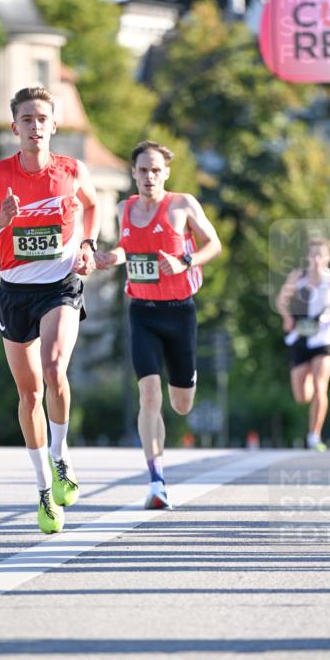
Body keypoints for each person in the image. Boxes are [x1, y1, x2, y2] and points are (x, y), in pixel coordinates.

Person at [0, 85, 100, 534]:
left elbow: (94, 205)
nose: (35, 127)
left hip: (60, 285)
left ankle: (62, 458)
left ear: (54, 125)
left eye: (43, 118)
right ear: (14, 127)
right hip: (14, 293)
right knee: (29, 395)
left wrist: (86, 244)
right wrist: (1, 222)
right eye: (27, 119)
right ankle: (44, 488)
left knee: (55, 367)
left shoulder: (73, 170)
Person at [94, 140, 221, 508]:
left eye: (155, 170)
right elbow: (126, 248)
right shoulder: (125, 207)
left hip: (180, 312)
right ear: (133, 173)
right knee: (148, 394)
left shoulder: (182, 205)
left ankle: (188, 378)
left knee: (181, 404)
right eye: (142, 170)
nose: (149, 176)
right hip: (143, 311)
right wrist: (109, 258)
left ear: (165, 173)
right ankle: (156, 480)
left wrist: (186, 260)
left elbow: (214, 244)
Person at [276, 237, 330, 451]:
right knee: (302, 396)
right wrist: (286, 317)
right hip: (300, 338)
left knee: (321, 387)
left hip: (324, 339)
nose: (317, 259)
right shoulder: (297, 277)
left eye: (321, 255)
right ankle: (307, 376)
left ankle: (314, 435)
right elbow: (281, 301)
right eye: (313, 254)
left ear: (329, 257)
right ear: (308, 257)